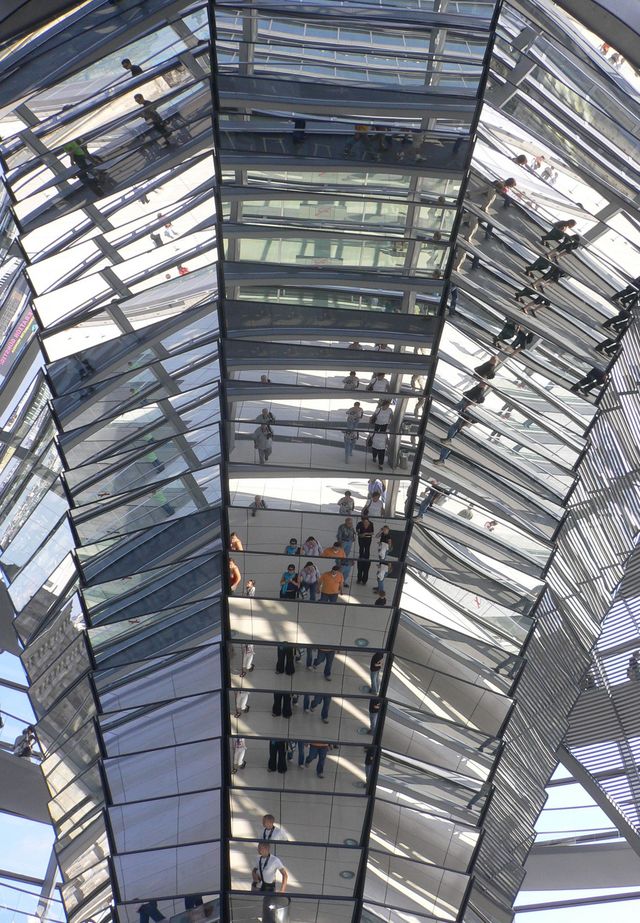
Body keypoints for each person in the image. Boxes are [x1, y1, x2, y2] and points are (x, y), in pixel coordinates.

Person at [356, 517, 374, 584]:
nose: (365, 523)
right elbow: (357, 530)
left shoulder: (371, 524)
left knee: (367, 548)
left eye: (366, 522)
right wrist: (359, 533)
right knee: (361, 548)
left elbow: (372, 532)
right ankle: (361, 556)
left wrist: (365, 533)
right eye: (364, 522)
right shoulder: (359, 524)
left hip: (368, 538)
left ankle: (366, 557)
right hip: (361, 538)